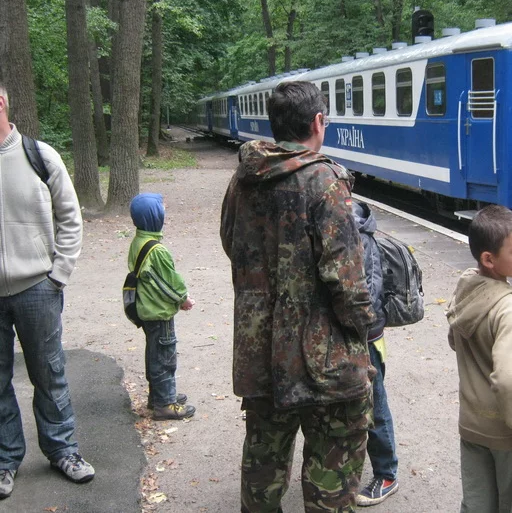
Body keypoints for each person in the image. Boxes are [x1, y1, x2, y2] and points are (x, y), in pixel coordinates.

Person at [220, 81, 375, 513]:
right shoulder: (325, 181)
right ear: (318, 122)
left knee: (263, 465)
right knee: (332, 478)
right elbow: (346, 280)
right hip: (325, 359)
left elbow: (232, 243)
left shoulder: (243, 179)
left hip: (260, 351)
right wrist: (365, 329)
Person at [0, 84, 94, 499]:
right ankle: (5, 459)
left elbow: (71, 218)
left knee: (49, 375)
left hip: (38, 287)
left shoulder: (40, 156)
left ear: (1, 103)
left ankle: (62, 451)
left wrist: (58, 275)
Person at [445, 205, 512, 513]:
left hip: (473, 426)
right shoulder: (511, 310)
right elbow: (508, 381)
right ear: (489, 259)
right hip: (509, 434)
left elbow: (455, 340)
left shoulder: (467, 287)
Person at [128, 193, 196, 421]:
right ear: (154, 217)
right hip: (159, 312)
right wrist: (182, 299)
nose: (164, 213)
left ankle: (157, 395)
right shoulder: (157, 251)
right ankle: (165, 404)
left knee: (154, 354)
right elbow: (168, 282)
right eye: (162, 209)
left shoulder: (138, 242)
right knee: (165, 358)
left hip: (146, 309)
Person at [351, 201, 399, 507]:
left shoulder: (358, 234)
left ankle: (387, 473)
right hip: (351, 335)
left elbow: (366, 296)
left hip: (366, 338)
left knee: (375, 406)